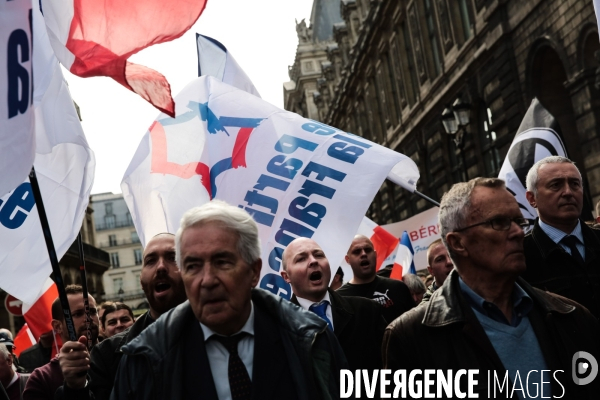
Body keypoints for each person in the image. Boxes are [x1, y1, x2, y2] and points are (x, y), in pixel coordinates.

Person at [383, 177, 600, 398]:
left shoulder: (572, 316)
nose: (517, 232)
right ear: (458, 243)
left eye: (519, 221)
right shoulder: (411, 337)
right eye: (499, 222)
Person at [112, 200, 346, 400]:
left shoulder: (313, 338)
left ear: (254, 272)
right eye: (193, 266)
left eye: (222, 262)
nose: (207, 280)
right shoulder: (143, 359)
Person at [57, 233, 188, 400]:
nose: (161, 267)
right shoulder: (107, 354)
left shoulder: (219, 333)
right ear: (141, 280)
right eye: (150, 261)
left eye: (173, 257)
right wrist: (75, 388)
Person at [282, 237, 386, 375]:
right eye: (301, 259)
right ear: (286, 276)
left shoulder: (368, 311)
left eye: (319, 255)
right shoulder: (277, 328)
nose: (313, 261)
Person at [522, 156, 600, 318]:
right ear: (531, 199)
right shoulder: (520, 255)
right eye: (555, 185)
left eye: (574, 184)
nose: (568, 192)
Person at [23, 285, 99, 400]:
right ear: (57, 326)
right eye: (78, 314)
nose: (88, 318)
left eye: (92, 311)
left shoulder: (117, 357)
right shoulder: (42, 378)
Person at [337, 235, 414, 323]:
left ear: (375, 254)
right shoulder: (339, 298)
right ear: (348, 259)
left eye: (368, 250)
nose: (363, 254)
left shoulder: (398, 287)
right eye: (357, 251)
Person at [420, 238, 454, 303]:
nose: (449, 262)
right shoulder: (427, 309)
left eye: (451, 255)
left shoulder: (476, 289)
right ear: (431, 270)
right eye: (440, 259)